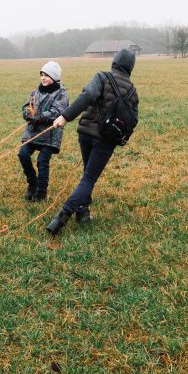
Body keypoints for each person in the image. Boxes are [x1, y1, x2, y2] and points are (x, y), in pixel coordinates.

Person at [47, 48, 139, 235]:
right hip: (106, 139)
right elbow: (133, 119)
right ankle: (62, 217)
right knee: (89, 178)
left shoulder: (102, 77)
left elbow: (87, 96)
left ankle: (83, 212)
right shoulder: (132, 91)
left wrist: (65, 117)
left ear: (114, 62)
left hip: (85, 134)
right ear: (131, 67)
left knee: (86, 175)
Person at [18, 61, 70, 202]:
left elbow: (58, 112)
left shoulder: (61, 94)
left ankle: (41, 192)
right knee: (23, 154)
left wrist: (40, 117)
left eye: (47, 75)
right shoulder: (36, 91)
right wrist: (27, 113)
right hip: (33, 132)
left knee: (42, 161)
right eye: (42, 75)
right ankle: (32, 184)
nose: (43, 78)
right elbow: (27, 106)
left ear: (54, 77)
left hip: (49, 134)